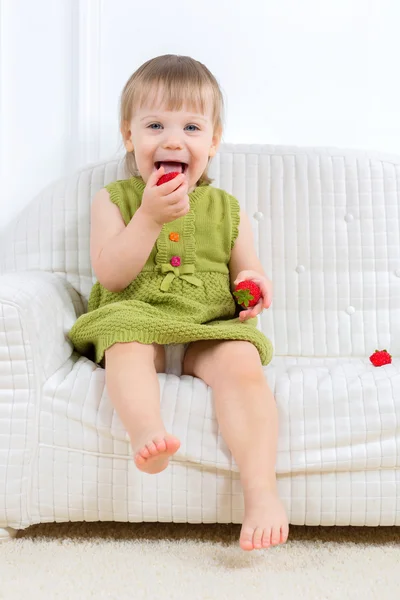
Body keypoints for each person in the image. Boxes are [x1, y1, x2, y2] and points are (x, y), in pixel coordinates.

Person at [68, 54, 289, 551]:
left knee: (243, 363)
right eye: (155, 125)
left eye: (190, 126)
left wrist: (253, 285)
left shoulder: (226, 208)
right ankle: (148, 434)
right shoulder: (114, 199)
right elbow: (112, 274)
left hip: (208, 323)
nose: (172, 140)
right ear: (129, 136)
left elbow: (245, 270)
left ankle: (261, 490)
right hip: (136, 312)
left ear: (212, 141)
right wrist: (147, 218)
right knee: (125, 344)